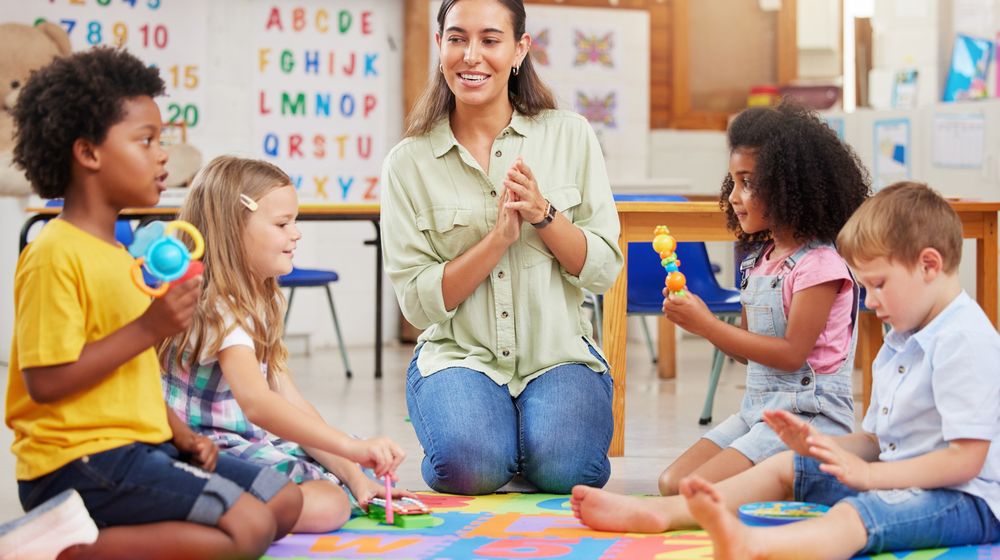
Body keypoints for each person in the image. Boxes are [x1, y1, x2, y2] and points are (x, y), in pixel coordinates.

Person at [571, 182, 1000, 558]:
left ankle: (758, 548)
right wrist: (818, 448)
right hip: (897, 479)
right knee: (787, 466)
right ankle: (663, 513)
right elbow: (877, 441)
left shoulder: (963, 338)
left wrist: (871, 476)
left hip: (964, 498)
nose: (868, 302)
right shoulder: (902, 336)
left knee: (859, 514)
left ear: (929, 265)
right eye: (865, 287)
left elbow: (965, 460)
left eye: (878, 285)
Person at [5, 48, 302, 560]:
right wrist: (150, 326)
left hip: (141, 447)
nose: (163, 154)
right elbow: (45, 381)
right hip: (78, 462)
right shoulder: (53, 253)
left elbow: (128, 378)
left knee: (282, 498)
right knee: (248, 529)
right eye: (146, 140)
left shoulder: (121, 257)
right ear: (88, 154)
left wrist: (181, 434)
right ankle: (57, 548)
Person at [380, 0, 623, 495]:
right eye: (456, 38)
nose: (472, 56)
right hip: (460, 356)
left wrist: (544, 216)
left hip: (558, 355)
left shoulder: (570, 135)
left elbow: (603, 270)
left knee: (568, 472)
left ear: (519, 50)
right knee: (470, 469)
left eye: (490, 40)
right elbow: (419, 303)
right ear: (440, 46)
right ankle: (493, 435)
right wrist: (496, 242)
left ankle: (524, 434)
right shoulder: (408, 162)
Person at [160, 156, 409, 533]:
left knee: (345, 464)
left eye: (295, 221)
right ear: (232, 228)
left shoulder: (259, 297)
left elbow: (290, 400)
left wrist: (355, 474)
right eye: (282, 224)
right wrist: (351, 453)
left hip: (243, 438)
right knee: (329, 503)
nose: (297, 233)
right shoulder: (219, 308)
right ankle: (208, 511)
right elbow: (258, 404)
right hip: (206, 448)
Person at [654, 101, 870, 495]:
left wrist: (708, 324)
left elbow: (790, 354)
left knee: (693, 492)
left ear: (790, 185)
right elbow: (748, 350)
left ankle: (805, 475)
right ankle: (777, 484)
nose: (735, 196)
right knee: (672, 483)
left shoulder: (820, 265)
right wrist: (698, 322)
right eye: (733, 181)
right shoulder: (760, 260)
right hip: (758, 412)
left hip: (809, 418)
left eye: (748, 182)